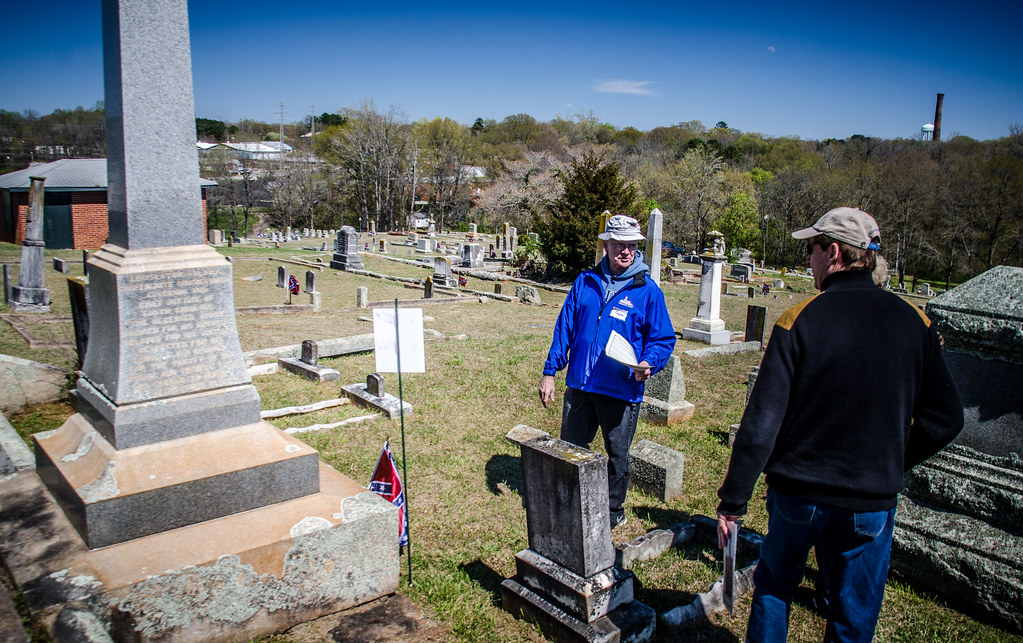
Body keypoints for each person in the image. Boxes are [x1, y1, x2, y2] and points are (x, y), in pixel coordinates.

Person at [716, 207, 964, 642]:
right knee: (854, 614)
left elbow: (761, 425)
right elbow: (946, 420)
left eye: (811, 249)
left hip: (798, 494)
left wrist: (733, 502)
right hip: (870, 500)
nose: (807, 259)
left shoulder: (798, 320)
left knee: (774, 589)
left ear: (833, 252)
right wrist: (889, 462)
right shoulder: (916, 322)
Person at [539, 214, 676, 530]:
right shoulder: (585, 281)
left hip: (620, 388)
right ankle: (571, 499)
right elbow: (564, 328)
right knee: (571, 448)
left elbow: (662, 339)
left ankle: (613, 511)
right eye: (618, 245)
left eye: (632, 246)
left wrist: (649, 362)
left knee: (617, 454)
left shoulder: (648, 290)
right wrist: (550, 372)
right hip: (580, 384)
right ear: (606, 246)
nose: (625, 251)